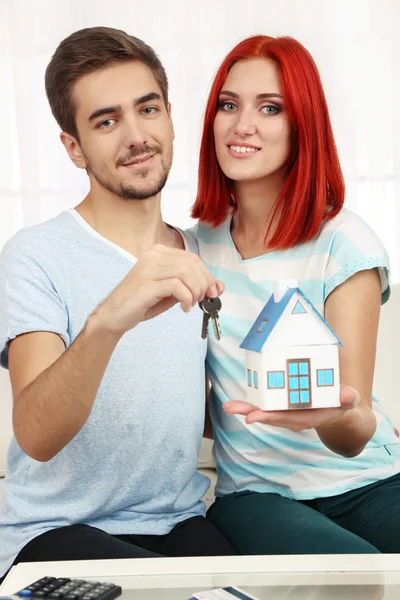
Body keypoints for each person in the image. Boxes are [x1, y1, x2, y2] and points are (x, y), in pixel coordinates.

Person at [0, 26, 237, 580]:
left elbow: (193, 408)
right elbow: (35, 433)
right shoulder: (33, 254)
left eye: (147, 109)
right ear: (73, 147)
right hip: (53, 530)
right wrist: (110, 318)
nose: (136, 136)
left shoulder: (202, 252)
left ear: (170, 116)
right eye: (106, 121)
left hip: (178, 521)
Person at [191, 35, 400, 554]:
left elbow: (352, 434)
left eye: (271, 108)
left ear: (302, 125)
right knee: (356, 571)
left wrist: (334, 414)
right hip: (257, 494)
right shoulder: (193, 249)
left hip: (367, 477)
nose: (243, 125)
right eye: (229, 104)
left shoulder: (344, 244)